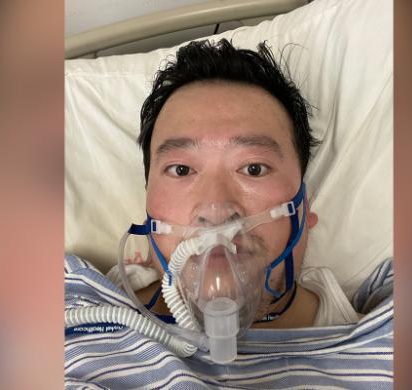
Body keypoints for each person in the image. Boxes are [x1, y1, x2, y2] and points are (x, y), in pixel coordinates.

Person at [65, 39, 393, 389]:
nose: (216, 210)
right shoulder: (69, 299)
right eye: (181, 170)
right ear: (148, 213)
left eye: (253, 168)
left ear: (304, 208)